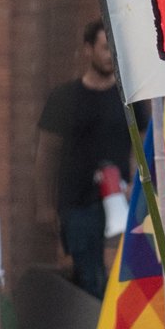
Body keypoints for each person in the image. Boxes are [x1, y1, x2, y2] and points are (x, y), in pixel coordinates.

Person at [37, 21, 129, 300]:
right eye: (104, 48)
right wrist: (45, 206)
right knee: (87, 278)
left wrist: (137, 188)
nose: (110, 55)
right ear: (88, 49)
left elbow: (142, 147)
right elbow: (47, 153)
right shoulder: (64, 98)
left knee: (120, 279)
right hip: (77, 207)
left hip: (120, 206)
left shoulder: (129, 97)